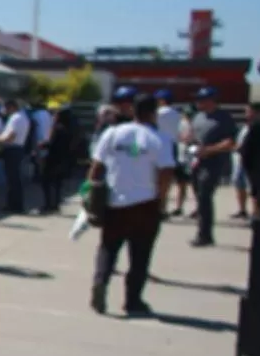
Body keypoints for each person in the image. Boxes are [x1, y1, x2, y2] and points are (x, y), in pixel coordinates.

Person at [88, 95, 174, 316]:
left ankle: (101, 280)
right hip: (145, 203)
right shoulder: (160, 139)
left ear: (132, 111)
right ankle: (132, 300)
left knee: (108, 247)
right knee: (140, 255)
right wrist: (162, 202)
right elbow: (166, 173)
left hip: (115, 201)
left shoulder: (112, 133)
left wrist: (89, 195)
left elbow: (96, 167)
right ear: (153, 113)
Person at [187, 87, 238, 247]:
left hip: (214, 162)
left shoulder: (224, 118)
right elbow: (192, 136)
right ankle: (203, 231)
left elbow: (230, 142)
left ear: (211, 100)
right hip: (196, 161)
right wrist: (191, 144)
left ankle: (205, 234)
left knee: (204, 195)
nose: (198, 102)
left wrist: (209, 150)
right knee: (199, 195)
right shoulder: (198, 117)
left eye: (201, 99)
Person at [155, 89, 191, 217]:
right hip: (173, 145)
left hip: (159, 145)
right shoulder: (177, 114)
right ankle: (163, 208)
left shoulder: (158, 113)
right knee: (167, 180)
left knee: (155, 179)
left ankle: (157, 207)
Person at [0, 98, 31, 213]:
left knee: (12, 179)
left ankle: (14, 205)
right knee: (15, 178)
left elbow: (10, 136)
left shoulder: (16, 118)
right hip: (18, 149)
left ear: (11, 107)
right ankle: (15, 204)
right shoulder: (23, 117)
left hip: (12, 149)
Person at [39, 108, 79, 213]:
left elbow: (51, 144)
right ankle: (56, 204)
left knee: (46, 181)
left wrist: (42, 145)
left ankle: (48, 204)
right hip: (64, 159)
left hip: (53, 158)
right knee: (57, 183)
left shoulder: (57, 128)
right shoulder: (71, 129)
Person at [230, 105, 260, 220]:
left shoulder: (259, 126)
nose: (246, 114)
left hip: (251, 162)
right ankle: (242, 210)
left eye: (248, 111)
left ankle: (256, 213)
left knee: (253, 189)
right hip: (239, 160)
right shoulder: (244, 127)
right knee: (239, 185)